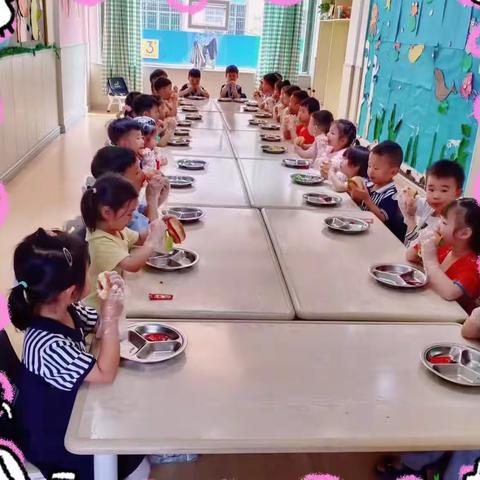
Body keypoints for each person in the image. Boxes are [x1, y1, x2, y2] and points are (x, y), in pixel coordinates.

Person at [10, 228, 150, 479]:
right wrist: (109, 317)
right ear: (70, 291)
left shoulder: (67, 311)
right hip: (55, 440)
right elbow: (105, 372)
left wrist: (110, 306)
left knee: (132, 437)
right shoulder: (46, 345)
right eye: (88, 270)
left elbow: (99, 329)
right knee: (137, 467)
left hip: (74, 410)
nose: (92, 274)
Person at [81, 174, 168, 310]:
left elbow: (139, 238)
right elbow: (132, 265)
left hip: (114, 295)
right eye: (129, 213)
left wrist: (156, 227)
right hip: (99, 308)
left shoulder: (116, 230)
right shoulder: (100, 241)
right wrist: (152, 241)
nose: (132, 217)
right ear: (107, 213)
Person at [406, 198, 480, 313]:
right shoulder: (445, 246)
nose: (438, 224)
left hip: (448, 321)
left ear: (464, 233)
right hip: (426, 306)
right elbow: (410, 256)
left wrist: (430, 262)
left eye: (444, 222)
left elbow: (450, 293)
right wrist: (423, 241)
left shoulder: (472, 267)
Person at [90, 146, 170, 233]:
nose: (143, 174)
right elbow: (152, 237)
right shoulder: (119, 213)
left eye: (140, 168)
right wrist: (152, 199)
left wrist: (158, 199)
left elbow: (142, 216)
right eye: (137, 172)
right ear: (119, 184)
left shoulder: (126, 201)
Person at [350, 140, 407, 242]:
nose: (370, 171)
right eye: (369, 165)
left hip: (378, 238)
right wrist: (355, 195)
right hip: (361, 231)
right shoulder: (369, 184)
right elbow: (360, 206)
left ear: (393, 172)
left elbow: (381, 218)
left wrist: (366, 199)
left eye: (376, 169)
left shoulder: (392, 195)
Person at [399, 160, 464, 247]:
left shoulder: (448, 226)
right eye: (431, 189)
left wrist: (410, 218)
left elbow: (419, 249)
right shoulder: (428, 206)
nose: (436, 196)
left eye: (444, 190)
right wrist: (407, 197)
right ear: (425, 188)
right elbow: (403, 195)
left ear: (458, 193)